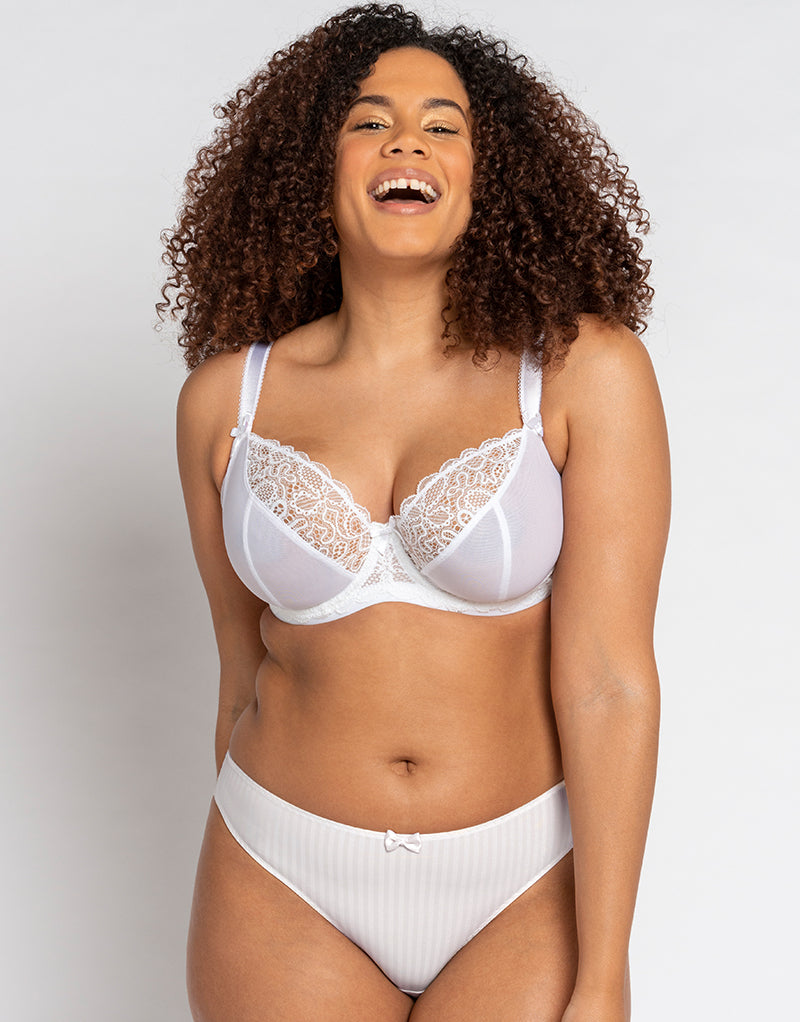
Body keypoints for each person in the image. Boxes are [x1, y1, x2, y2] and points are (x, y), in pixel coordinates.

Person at [159, 4, 670, 1019]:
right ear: (314, 171)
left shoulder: (582, 373)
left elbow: (610, 682)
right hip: (281, 874)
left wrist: (604, 970)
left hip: (521, 880)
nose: (407, 142)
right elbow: (240, 670)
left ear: (489, 176)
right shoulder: (224, 403)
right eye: (368, 121)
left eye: (443, 124)